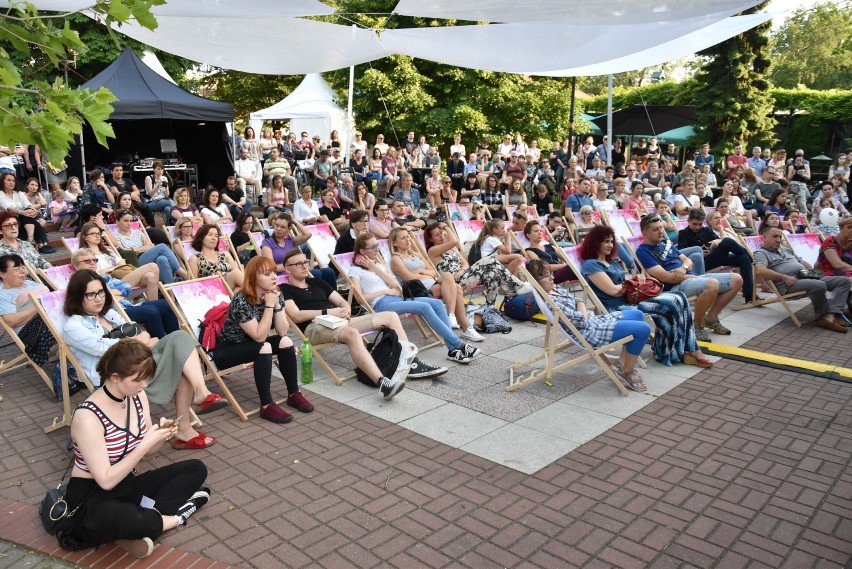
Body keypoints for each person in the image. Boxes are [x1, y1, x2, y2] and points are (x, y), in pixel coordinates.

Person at [64, 339, 210, 558]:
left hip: (126, 485)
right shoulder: (88, 416)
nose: (144, 386)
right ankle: (174, 517)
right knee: (130, 518)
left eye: (146, 379)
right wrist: (145, 444)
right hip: (91, 496)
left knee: (196, 469)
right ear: (115, 377)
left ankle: (138, 525)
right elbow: (105, 480)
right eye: (138, 380)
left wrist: (161, 436)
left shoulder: (137, 397)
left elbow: (150, 450)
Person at [64, 270, 226, 446]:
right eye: (91, 294)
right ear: (77, 297)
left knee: (181, 339)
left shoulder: (109, 314)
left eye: (101, 291)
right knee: (180, 361)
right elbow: (105, 350)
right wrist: (140, 341)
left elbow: (141, 332)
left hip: (140, 362)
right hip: (119, 377)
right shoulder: (73, 326)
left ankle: (201, 393)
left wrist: (139, 340)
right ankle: (185, 426)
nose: (98, 298)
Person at [281, 248, 417, 400]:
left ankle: (410, 363)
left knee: (390, 316)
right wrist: (328, 312)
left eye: (305, 262)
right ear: (288, 268)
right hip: (314, 328)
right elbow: (296, 316)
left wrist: (345, 310)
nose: (305, 266)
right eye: (299, 264)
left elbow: (341, 301)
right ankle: (383, 383)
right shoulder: (285, 289)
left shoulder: (316, 282)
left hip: (338, 320)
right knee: (352, 334)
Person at [579, 226, 712, 367]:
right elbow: (612, 290)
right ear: (595, 242)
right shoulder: (591, 265)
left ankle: (687, 348)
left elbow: (624, 286)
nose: (610, 245)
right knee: (671, 303)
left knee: (679, 297)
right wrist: (631, 283)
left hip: (632, 300)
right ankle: (671, 350)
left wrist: (637, 279)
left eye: (612, 241)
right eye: (606, 241)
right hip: (617, 307)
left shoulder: (611, 262)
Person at [349, 233, 473, 372]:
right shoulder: (355, 271)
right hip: (381, 304)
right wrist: (385, 292)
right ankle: (459, 344)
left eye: (377, 246)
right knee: (424, 306)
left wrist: (376, 268)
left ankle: (452, 350)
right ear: (362, 251)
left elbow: (396, 285)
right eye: (373, 247)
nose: (377, 249)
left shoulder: (378, 265)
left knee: (437, 304)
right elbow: (360, 298)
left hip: (396, 298)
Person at [213, 256, 313, 424]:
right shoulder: (241, 300)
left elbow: (282, 331)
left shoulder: (275, 294)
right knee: (264, 346)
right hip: (228, 351)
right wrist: (268, 306)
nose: (274, 277)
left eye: (274, 272)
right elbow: (259, 336)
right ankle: (266, 404)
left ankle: (294, 393)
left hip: (255, 344)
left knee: (286, 341)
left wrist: (277, 305)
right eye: (267, 274)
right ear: (253, 278)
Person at [527, 259, 651, 391]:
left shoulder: (555, 288)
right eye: (545, 276)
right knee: (643, 329)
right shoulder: (550, 302)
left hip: (593, 321)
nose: (552, 277)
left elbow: (578, 306)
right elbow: (581, 319)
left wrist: (580, 304)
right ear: (536, 282)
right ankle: (628, 371)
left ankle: (620, 364)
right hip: (589, 332)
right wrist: (581, 304)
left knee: (637, 314)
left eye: (550, 273)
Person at [636, 214, 742, 342]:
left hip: (687, 277)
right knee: (712, 284)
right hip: (674, 287)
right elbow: (666, 277)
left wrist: (683, 269)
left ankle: (711, 318)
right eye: (655, 229)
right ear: (645, 233)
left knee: (736, 279)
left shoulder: (665, 243)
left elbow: (688, 260)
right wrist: (688, 275)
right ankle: (697, 326)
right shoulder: (643, 251)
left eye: (660, 228)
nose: (660, 231)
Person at [388, 227, 482, 344]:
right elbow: (410, 278)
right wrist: (423, 273)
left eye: (408, 236)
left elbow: (433, 272)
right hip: (417, 289)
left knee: (451, 280)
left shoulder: (416, 254)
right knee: (455, 286)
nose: (407, 240)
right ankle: (464, 326)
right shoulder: (396, 259)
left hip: (431, 284)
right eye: (403, 238)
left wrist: (420, 272)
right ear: (395, 242)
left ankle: (453, 317)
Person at [755, 225, 850, 333]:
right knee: (819, 285)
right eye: (775, 236)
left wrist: (811, 271)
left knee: (843, 281)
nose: (778, 240)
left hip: (806, 277)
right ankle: (823, 317)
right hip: (789, 283)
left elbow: (803, 263)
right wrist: (784, 277)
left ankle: (832, 314)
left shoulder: (786, 251)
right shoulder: (761, 253)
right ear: (765, 237)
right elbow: (760, 271)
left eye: (780, 237)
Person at [424, 223, 531, 305]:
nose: (441, 236)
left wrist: (462, 271)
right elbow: (454, 241)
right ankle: (518, 285)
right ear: (430, 239)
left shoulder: (452, 249)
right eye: (437, 235)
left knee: (493, 275)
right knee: (489, 260)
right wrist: (446, 227)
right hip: (453, 282)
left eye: (442, 233)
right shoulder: (432, 251)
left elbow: (464, 263)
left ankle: (490, 308)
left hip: (465, 275)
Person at [677, 208, 754, 302]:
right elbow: (683, 253)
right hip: (701, 263)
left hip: (715, 256)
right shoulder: (683, 234)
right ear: (688, 221)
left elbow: (720, 241)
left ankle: (749, 296)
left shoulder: (706, 230)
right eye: (694, 224)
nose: (697, 227)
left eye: (700, 224)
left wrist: (716, 242)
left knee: (744, 258)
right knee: (728, 241)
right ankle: (753, 258)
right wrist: (700, 252)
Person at [79, 222, 160, 299]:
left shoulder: (109, 251)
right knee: (152, 266)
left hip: (122, 280)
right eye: (93, 234)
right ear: (85, 237)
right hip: (109, 285)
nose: (97, 236)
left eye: (98, 234)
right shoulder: (85, 255)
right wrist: (112, 270)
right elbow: (91, 274)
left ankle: (154, 306)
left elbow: (122, 264)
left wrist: (110, 270)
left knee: (150, 276)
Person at [261, 214, 336, 289]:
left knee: (329, 272)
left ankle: (332, 298)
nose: (278, 229)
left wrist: (295, 221)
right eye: (277, 225)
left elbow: (308, 234)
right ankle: (319, 298)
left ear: (289, 229)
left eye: (283, 227)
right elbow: (271, 268)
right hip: (284, 276)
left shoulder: (290, 240)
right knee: (316, 273)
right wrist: (292, 265)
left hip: (297, 271)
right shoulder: (267, 243)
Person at [113, 209, 186, 284]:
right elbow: (124, 251)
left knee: (162, 259)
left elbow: (150, 246)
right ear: (117, 221)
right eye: (126, 221)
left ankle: (171, 292)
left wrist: (136, 249)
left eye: (131, 221)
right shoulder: (115, 237)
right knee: (162, 247)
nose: (129, 223)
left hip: (147, 257)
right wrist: (143, 248)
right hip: (134, 262)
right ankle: (184, 274)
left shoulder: (138, 233)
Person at [0, 172, 55, 253]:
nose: (11, 183)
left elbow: (28, 205)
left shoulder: (19, 193)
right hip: (7, 219)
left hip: (22, 219)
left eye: (13, 181)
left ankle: (31, 239)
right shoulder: (1, 194)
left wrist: (33, 211)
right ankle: (39, 244)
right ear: (2, 181)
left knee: (33, 218)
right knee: (35, 223)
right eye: (8, 180)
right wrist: (23, 212)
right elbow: (8, 208)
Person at [188, 224, 244, 291]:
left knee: (237, 290)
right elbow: (195, 284)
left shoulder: (225, 254)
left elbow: (235, 271)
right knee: (236, 274)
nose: (214, 238)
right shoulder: (195, 259)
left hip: (229, 286)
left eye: (216, 236)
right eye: (210, 235)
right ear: (201, 238)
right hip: (212, 290)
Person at [816, 216, 852, 283]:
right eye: (849, 227)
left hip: (847, 272)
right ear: (841, 228)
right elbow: (838, 265)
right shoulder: (831, 241)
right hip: (825, 273)